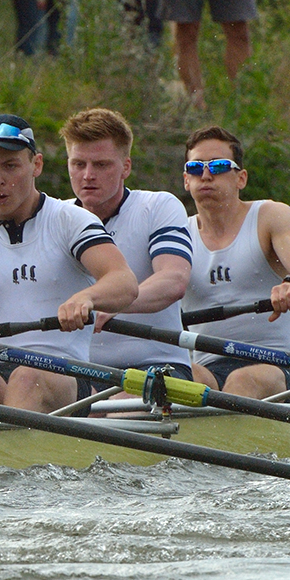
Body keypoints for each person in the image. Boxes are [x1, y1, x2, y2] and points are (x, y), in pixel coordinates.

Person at [0, 114, 138, 412]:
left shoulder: (69, 220)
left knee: (26, 378)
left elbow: (124, 282)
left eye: (10, 166)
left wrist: (86, 297)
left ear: (36, 165)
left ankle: (2, 442)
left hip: (64, 373)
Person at [179, 125, 290, 399]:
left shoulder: (269, 217)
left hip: (277, 364)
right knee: (176, 377)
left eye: (219, 166)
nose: (206, 175)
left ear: (241, 178)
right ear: (187, 180)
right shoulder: (177, 234)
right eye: (196, 167)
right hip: (209, 367)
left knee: (242, 381)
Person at [60, 108, 194, 380]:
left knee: (115, 406)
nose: (88, 175)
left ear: (126, 167)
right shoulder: (55, 217)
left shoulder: (158, 206)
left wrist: (113, 302)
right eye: (79, 164)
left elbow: (174, 280)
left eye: (101, 165)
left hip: (154, 365)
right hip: (78, 370)